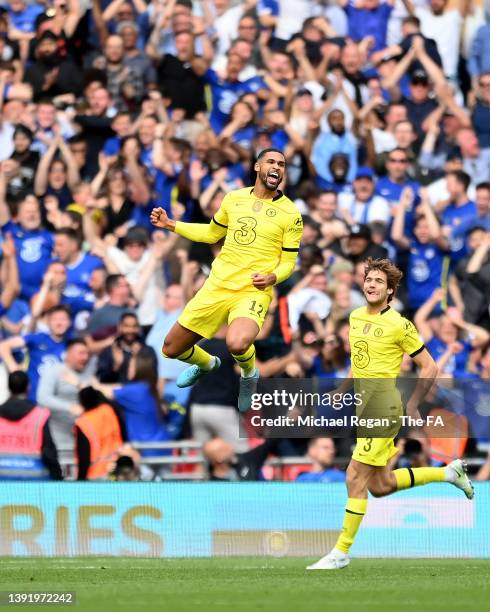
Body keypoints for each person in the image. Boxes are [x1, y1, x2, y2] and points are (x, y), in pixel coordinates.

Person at [307, 258, 474, 571]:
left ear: (391, 291)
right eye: (368, 279)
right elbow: (360, 360)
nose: (371, 284)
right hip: (363, 406)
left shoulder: (399, 324)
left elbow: (430, 366)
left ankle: (340, 552)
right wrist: (343, 390)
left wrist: (411, 404)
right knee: (380, 486)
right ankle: (448, 473)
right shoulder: (355, 317)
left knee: (354, 476)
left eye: (379, 281)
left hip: (384, 407)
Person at [150, 148, 303, 413]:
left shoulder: (291, 215)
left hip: (252, 290)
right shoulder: (233, 198)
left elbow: (289, 263)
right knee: (171, 347)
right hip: (217, 285)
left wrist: (272, 276)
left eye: (282, 164)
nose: (277, 167)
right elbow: (211, 233)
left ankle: (248, 374)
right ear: (257, 167)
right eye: (271, 161)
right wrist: (172, 224)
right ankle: (207, 364)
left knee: (237, 342)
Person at [0, 371, 62, 480]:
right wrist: (58, 477)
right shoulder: (39, 415)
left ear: (8, 387)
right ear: (28, 387)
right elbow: (49, 452)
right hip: (33, 482)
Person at [74, 386, 124, 481]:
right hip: (114, 467)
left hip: (95, 473)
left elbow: (83, 455)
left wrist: (80, 480)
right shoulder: (108, 411)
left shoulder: (82, 423)